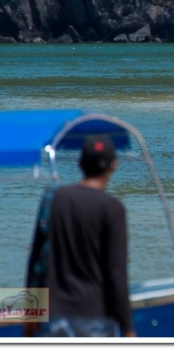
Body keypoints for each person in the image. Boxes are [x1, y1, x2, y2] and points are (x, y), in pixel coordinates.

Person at [23, 135, 135, 337]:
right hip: (95, 317)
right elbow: (116, 274)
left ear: (80, 163)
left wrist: (31, 312)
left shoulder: (54, 198)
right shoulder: (113, 209)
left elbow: (36, 261)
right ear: (113, 166)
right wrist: (127, 328)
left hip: (55, 316)